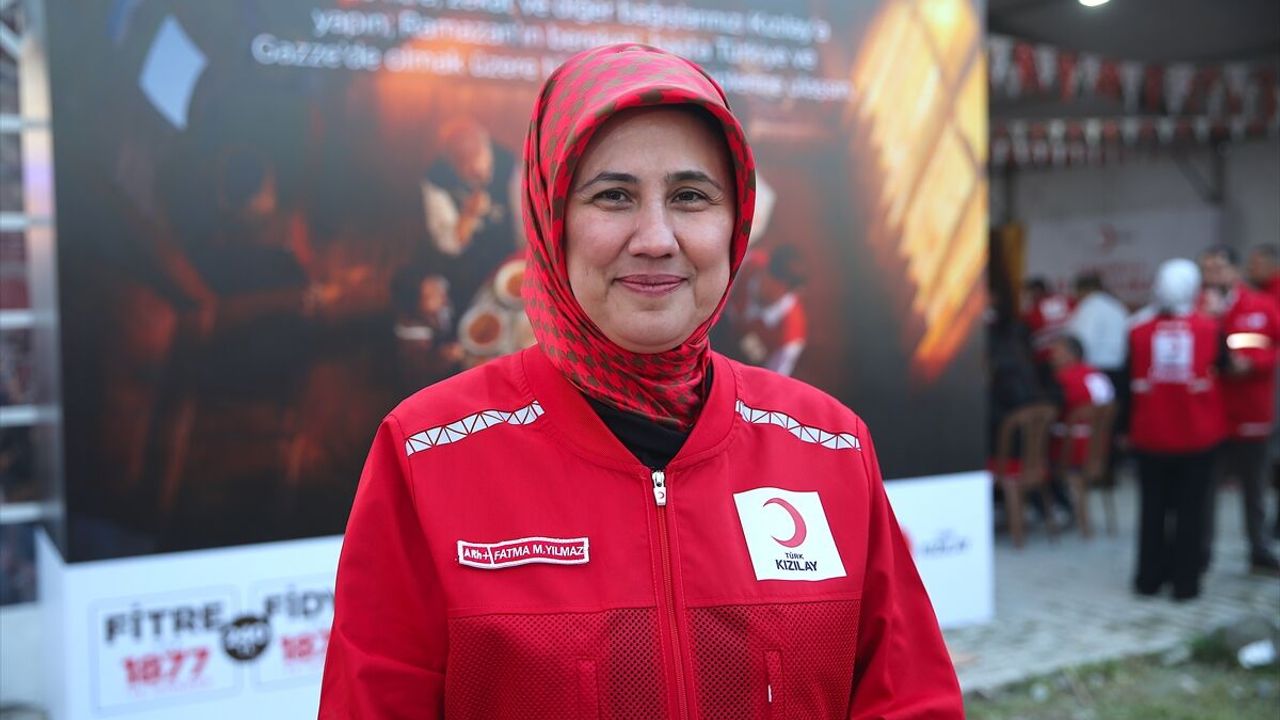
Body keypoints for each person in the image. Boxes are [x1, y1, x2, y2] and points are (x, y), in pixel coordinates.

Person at [320, 44, 962, 719]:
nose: (656, 238)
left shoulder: (829, 446)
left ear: (736, 222)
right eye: (613, 195)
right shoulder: (427, 454)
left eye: (690, 196)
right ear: (550, 217)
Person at [1128, 259, 1227, 600]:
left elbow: (1127, 382)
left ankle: (1148, 579)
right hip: (1197, 436)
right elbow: (1226, 367)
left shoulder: (1138, 331)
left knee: (1152, 509)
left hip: (1150, 435)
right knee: (1191, 511)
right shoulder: (1210, 328)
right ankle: (1185, 583)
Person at [1199, 245, 1280, 575]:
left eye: (1218, 268)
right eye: (1206, 269)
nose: (1212, 275)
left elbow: (1273, 346)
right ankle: (1201, 553)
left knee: (1254, 487)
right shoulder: (1197, 308)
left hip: (1251, 409)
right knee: (1204, 489)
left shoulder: (1260, 304)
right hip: (1211, 414)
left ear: (1234, 270)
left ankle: (1259, 549)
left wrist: (1253, 363)